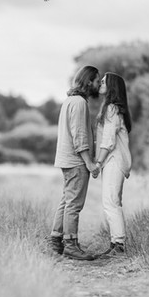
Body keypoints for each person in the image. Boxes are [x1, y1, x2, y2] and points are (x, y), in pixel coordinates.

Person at [48, 65, 101, 261]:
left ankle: (56, 241)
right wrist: (89, 162)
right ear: (89, 81)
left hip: (66, 159)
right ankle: (71, 245)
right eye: (97, 81)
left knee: (66, 201)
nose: (98, 84)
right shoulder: (79, 103)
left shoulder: (69, 101)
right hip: (76, 161)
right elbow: (79, 135)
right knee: (74, 205)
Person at [94, 72, 132, 257]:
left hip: (113, 160)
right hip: (114, 161)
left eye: (103, 81)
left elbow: (108, 140)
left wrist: (98, 162)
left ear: (111, 86)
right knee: (112, 202)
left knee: (111, 203)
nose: (100, 83)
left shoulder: (112, 108)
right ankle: (116, 243)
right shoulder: (113, 108)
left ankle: (118, 245)